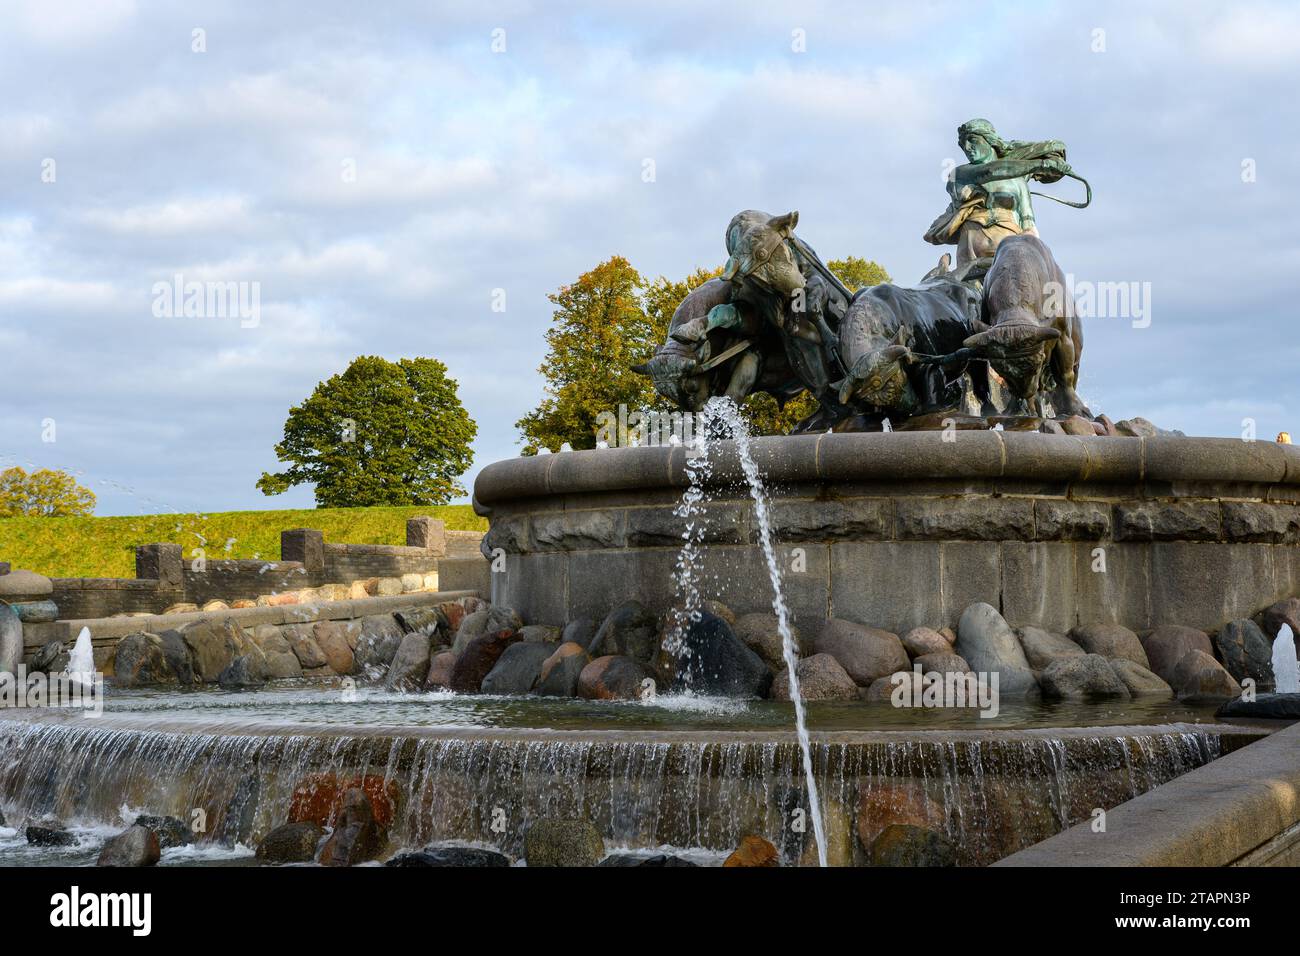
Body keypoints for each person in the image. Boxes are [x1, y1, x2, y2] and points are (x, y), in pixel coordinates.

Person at [925, 118, 1078, 272]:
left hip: (1008, 248)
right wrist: (1042, 165)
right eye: (963, 144)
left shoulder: (1018, 181)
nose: (967, 147)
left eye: (972, 140)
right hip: (971, 246)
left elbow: (1028, 225)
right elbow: (991, 170)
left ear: (990, 140)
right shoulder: (958, 174)